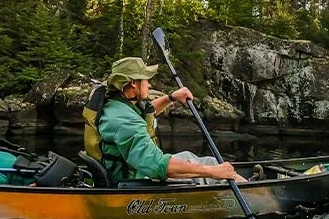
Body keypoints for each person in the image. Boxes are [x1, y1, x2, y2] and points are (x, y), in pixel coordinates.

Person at [85, 57, 248, 184]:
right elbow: (158, 165)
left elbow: (147, 112)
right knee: (211, 165)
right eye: (146, 79)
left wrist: (172, 97)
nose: (149, 85)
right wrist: (213, 172)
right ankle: (257, 193)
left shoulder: (115, 106)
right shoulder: (125, 122)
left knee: (191, 157)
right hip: (138, 179)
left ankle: (247, 184)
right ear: (133, 83)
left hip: (134, 171)